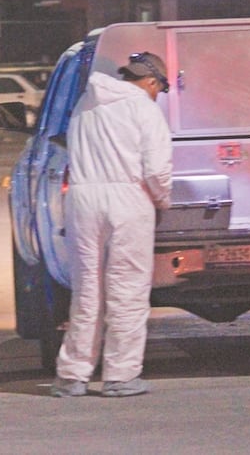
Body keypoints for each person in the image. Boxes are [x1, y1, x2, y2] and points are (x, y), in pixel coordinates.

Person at [52, 51, 173, 398]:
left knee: (87, 289)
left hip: (83, 198)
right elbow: (156, 169)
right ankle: (120, 375)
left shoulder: (85, 106)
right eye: (159, 89)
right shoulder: (144, 109)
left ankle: (73, 375)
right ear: (151, 82)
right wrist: (162, 199)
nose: (157, 95)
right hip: (128, 198)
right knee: (127, 290)